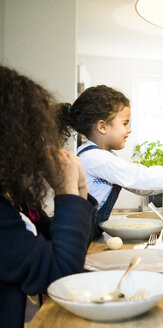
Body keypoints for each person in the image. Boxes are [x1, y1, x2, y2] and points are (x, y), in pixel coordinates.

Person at [0, 65, 98, 327]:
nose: (41, 142)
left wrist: (79, 190)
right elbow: (61, 274)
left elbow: (65, 249)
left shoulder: (13, 196)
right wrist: (66, 191)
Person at [57, 85, 163, 237]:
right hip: (76, 236)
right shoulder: (96, 159)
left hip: (83, 233)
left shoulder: (97, 156)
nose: (129, 129)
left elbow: (142, 189)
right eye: (125, 123)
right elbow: (141, 178)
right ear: (102, 127)